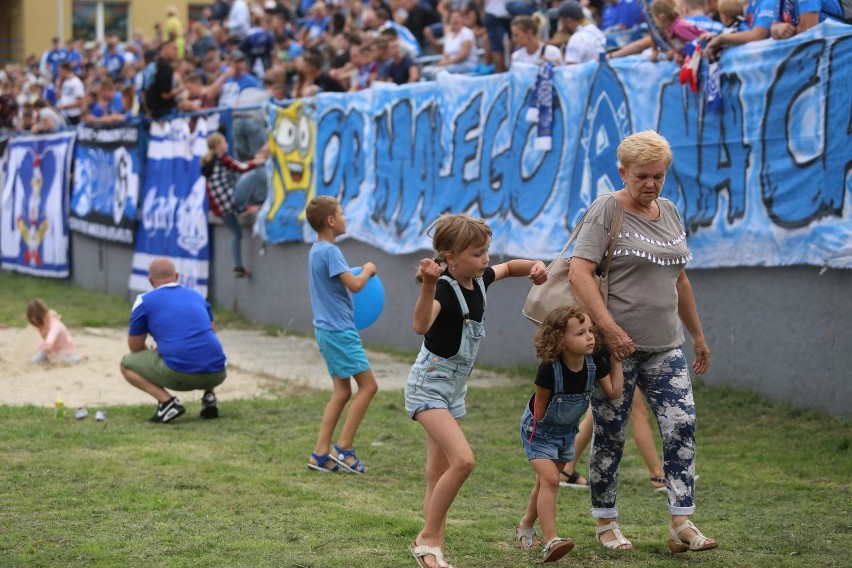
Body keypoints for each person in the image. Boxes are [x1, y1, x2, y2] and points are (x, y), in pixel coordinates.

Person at [567, 130, 716, 552]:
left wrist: (697, 335)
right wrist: (609, 329)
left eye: (658, 176)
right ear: (622, 172)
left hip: (666, 345)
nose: (651, 185)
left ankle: (681, 522)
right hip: (615, 347)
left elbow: (680, 279)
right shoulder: (606, 210)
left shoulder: (668, 210)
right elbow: (580, 272)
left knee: (682, 424)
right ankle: (606, 521)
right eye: (641, 177)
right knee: (611, 433)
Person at [406, 214, 548, 568]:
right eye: (477, 253)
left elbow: (512, 267)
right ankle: (426, 538)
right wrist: (426, 285)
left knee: (436, 472)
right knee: (464, 461)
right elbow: (420, 325)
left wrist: (537, 268)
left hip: (453, 389)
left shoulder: (480, 277)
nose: (485, 259)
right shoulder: (441, 290)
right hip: (429, 386)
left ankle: (432, 547)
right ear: (450, 257)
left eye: (486, 251)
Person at [516, 305, 623, 563]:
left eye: (590, 331)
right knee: (551, 479)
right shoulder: (548, 370)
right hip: (540, 433)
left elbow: (614, 391)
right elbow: (540, 409)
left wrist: (617, 359)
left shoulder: (595, 363)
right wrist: (543, 439)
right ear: (560, 340)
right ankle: (551, 540)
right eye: (580, 333)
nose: (589, 337)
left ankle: (526, 526)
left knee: (546, 482)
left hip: (566, 435)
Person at [304, 196, 379, 475]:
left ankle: (320, 453)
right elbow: (356, 285)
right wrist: (369, 269)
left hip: (326, 329)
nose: (345, 218)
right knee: (369, 386)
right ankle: (343, 449)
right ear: (331, 221)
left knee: (343, 390)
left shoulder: (315, 251)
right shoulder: (331, 252)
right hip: (339, 331)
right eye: (342, 214)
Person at [120, 258, 227, 423]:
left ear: (150, 280)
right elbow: (210, 331)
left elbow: (134, 347)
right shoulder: (197, 296)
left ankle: (167, 402)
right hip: (218, 373)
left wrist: (156, 350)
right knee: (203, 345)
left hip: (182, 375)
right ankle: (210, 397)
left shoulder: (145, 301)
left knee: (126, 364)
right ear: (177, 276)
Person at [560, 389, 667, 491]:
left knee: (595, 411)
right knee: (639, 414)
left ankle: (565, 468)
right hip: (619, 370)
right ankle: (658, 475)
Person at [202, 132, 266, 278]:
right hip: (231, 203)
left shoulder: (209, 161)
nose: (227, 144)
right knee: (253, 174)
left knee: (236, 233)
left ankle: (238, 266)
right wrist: (256, 162)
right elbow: (241, 167)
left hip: (220, 208)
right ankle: (242, 206)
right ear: (218, 146)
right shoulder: (221, 158)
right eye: (224, 142)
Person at [421, 9, 479, 79]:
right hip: (451, 65)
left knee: (438, 73)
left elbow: (464, 55)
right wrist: (442, 62)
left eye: (458, 17)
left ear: (462, 19)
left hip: (466, 65)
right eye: (453, 18)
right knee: (425, 71)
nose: (455, 20)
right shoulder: (449, 36)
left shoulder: (467, 33)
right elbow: (445, 54)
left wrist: (447, 62)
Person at [26, 299, 82, 364]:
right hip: (50, 348)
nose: (38, 326)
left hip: (63, 349)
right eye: (35, 324)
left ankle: (80, 358)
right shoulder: (41, 322)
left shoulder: (55, 325)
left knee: (63, 360)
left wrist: (48, 345)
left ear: (43, 315)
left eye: (38, 323)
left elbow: (52, 336)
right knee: (35, 360)